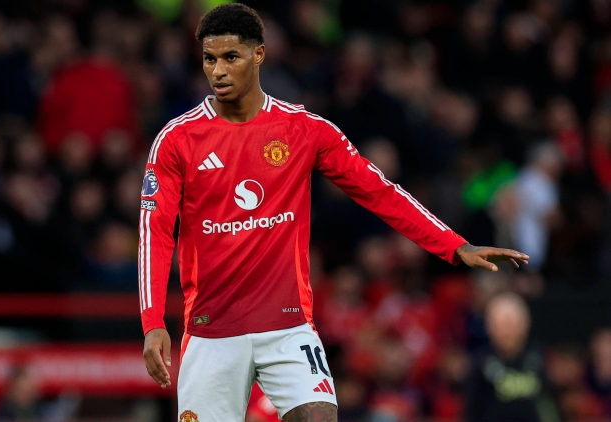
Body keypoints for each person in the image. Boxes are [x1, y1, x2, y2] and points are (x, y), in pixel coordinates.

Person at [138, 4, 529, 421]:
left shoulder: (305, 130)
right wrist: (152, 321)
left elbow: (380, 192)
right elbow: (154, 231)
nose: (217, 71)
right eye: (209, 59)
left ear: (258, 54)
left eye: (230, 57)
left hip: (287, 327)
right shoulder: (177, 139)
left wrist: (454, 245)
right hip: (212, 331)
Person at [466, 292, 559, 422]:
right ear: (489, 327)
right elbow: (472, 411)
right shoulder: (479, 363)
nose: (507, 332)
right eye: (501, 326)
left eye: (511, 325)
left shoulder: (541, 358)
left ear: (525, 324)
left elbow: (552, 404)